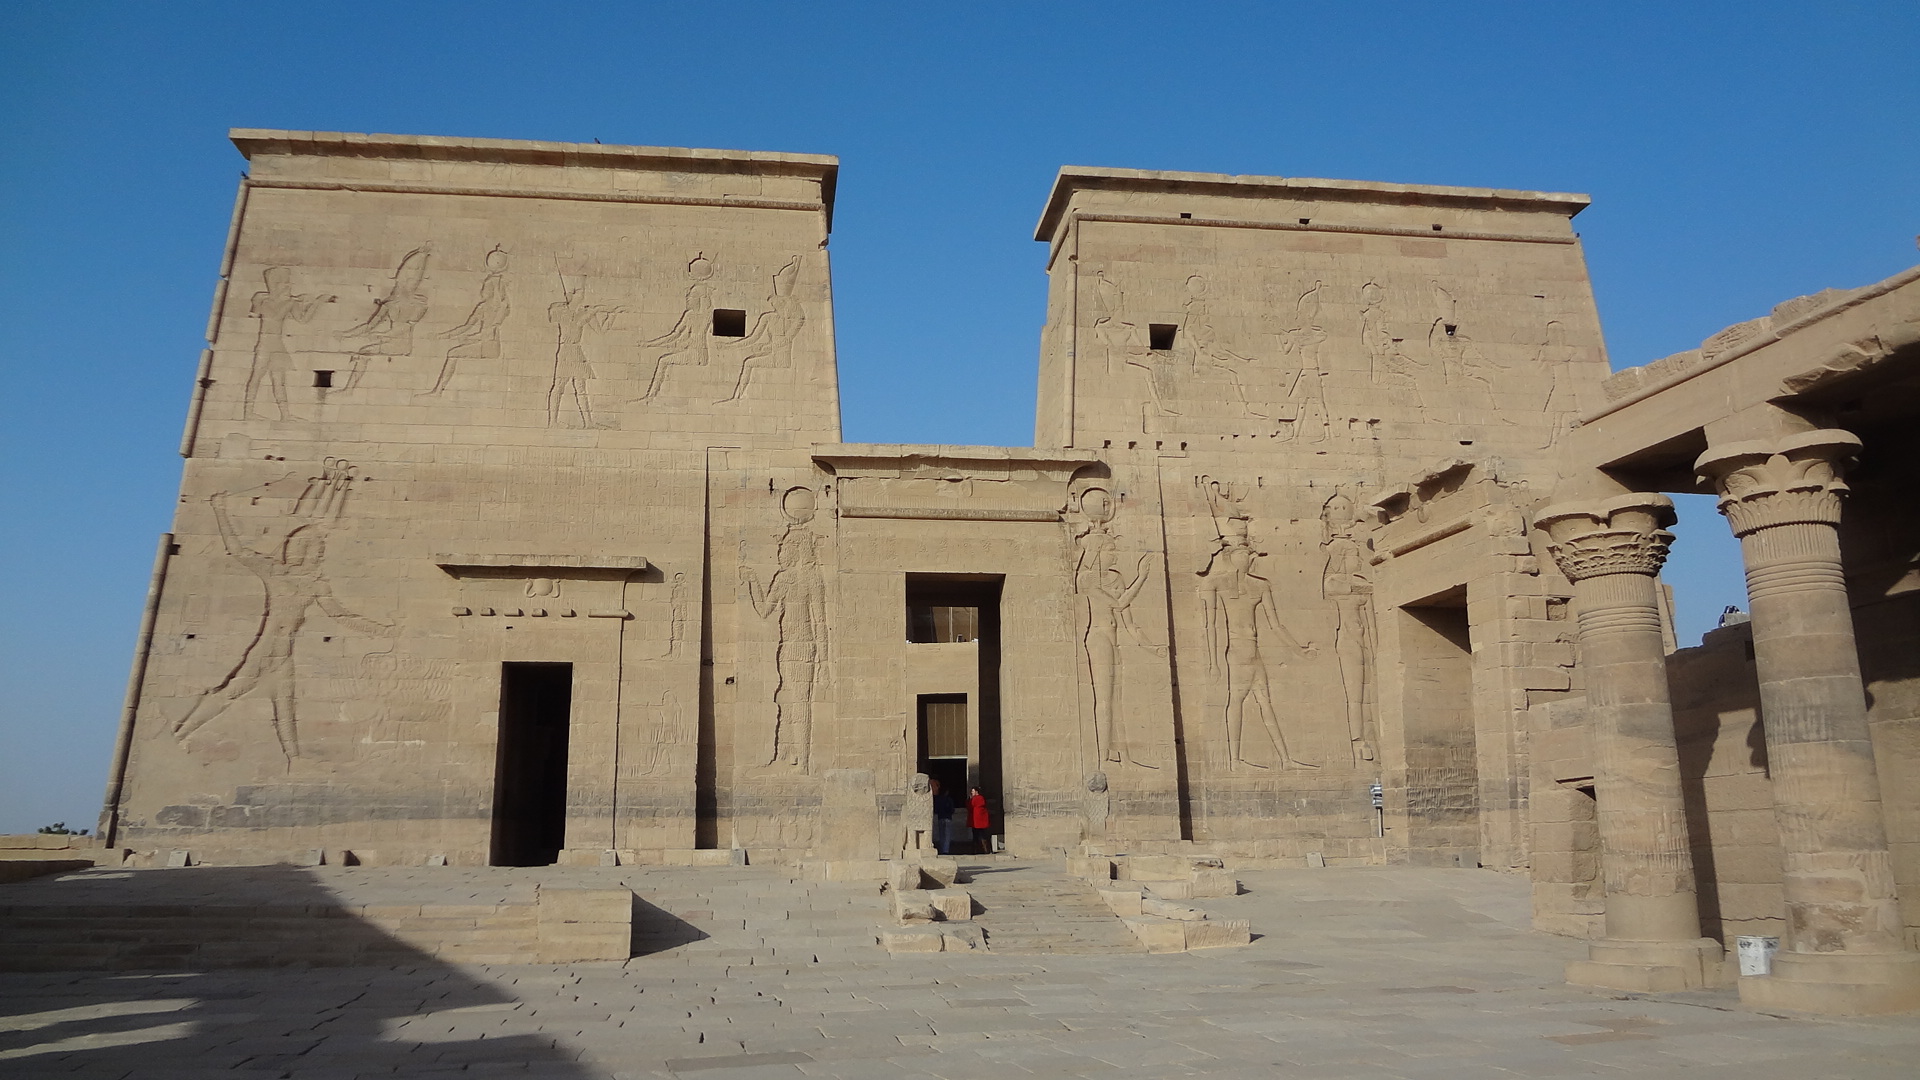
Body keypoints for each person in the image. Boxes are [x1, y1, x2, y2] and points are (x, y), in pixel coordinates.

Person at [930, 778, 956, 856]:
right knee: (947, 835)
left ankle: (943, 849)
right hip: (947, 818)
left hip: (941, 817)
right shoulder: (949, 799)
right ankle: (946, 850)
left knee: (941, 834)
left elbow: (936, 809)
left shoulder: (939, 799)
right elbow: (952, 809)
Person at [968, 787, 991, 855]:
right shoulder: (972, 799)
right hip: (974, 821)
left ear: (976, 792)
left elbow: (974, 805)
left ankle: (985, 850)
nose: (972, 793)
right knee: (976, 836)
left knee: (982, 835)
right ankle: (976, 850)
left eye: (973, 791)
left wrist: (971, 799)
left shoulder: (980, 798)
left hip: (979, 821)